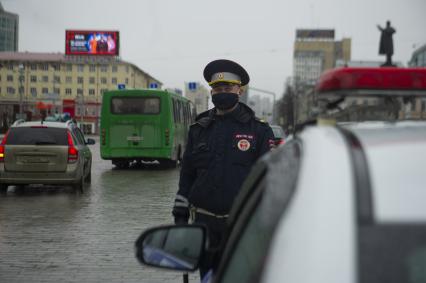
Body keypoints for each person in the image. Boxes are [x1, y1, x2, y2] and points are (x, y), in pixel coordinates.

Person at [172, 59, 275, 277]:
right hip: (203, 223)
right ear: (211, 91)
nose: (222, 92)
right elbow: (187, 173)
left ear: (240, 90)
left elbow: (269, 180)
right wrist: (180, 213)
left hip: (242, 225)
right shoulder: (199, 128)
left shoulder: (259, 130)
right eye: (217, 88)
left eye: (227, 87)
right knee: (207, 277)